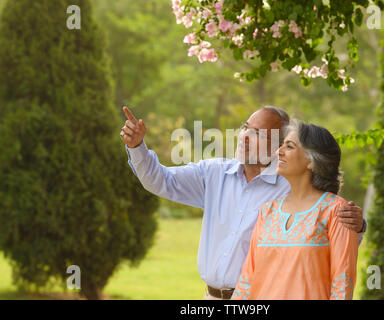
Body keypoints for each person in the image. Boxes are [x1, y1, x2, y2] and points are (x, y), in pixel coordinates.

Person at [119, 106, 366, 300]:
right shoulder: (214, 173)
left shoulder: (291, 186)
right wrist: (137, 147)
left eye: (257, 133)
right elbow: (160, 180)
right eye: (245, 127)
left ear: (278, 144)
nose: (245, 137)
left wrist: (357, 225)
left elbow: (328, 237)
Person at [232, 119, 358, 300]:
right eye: (281, 145)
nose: (278, 152)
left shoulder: (336, 211)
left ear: (312, 161)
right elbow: (247, 280)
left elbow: (342, 285)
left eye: (289, 147)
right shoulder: (268, 211)